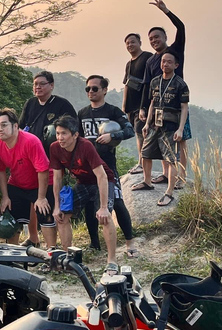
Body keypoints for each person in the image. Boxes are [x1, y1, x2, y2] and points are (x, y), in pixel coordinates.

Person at [77, 75, 138, 258]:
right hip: (86, 167)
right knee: (90, 204)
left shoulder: (113, 111)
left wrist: (113, 136)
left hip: (107, 166)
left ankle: (130, 243)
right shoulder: (82, 113)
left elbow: (130, 130)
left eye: (95, 88)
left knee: (117, 202)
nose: (91, 92)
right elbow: (77, 138)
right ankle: (95, 244)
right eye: (88, 89)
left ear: (104, 90)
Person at [50, 116, 119, 274]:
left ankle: (112, 261)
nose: (60, 137)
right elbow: (57, 178)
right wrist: (57, 205)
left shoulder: (85, 146)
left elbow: (101, 176)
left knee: (105, 217)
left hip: (102, 181)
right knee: (61, 215)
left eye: (64, 134)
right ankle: (68, 258)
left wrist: (103, 207)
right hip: (83, 183)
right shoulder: (54, 148)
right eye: (58, 133)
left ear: (75, 135)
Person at [18, 71, 77, 248]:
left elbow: (73, 128)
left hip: (53, 158)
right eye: (35, 84)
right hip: (31, 158)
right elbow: (21, 128)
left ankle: (62, 248)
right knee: (33, 198)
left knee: (53, 201)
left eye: (42, 84)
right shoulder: (30, 104)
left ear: (51, 85)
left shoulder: (62, 104)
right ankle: (34, 238)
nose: (37, 87)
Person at [141, 0, 189, 188]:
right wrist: (144, 108)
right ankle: (165, 174)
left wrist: (166, 11)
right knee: (161, 138)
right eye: (151, 39)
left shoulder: (174, 51)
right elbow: (148, 86)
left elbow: (182, 28)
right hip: (159, 107)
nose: (154, 41)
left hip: (177, 103)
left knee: (181, 139)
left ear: (165, 38)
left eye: (157, 37)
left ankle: (181, 177)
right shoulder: (151, 61)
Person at [134, 52, 190, 207]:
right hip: (154, 124)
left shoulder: (180, 84)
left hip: (171, 125)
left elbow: (184, 108)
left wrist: (180, 129)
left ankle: (169, 192)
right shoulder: (155, 81)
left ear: (175, 65)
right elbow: (152, 102)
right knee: (146, 154)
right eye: (163, 61)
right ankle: (147, 182)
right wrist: (146, 123)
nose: (165, 64)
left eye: (169, 62)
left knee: (171, 159)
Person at [0, 108, 53, 243]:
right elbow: (0, 171)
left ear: (15, 126)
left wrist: (41, 197)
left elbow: (43, 170)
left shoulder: (30, 141)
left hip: (41, 182)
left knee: (45, 215)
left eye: (4, 125)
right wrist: (5, 197)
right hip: (17, 182)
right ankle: (12, 256)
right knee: (11, 217)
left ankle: (51, 255)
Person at [122, 33, 153, 174]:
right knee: (137, 133)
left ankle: (142, 163)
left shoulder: (147, 57)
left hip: (143, 105)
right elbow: (126, 84)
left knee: (142, 134)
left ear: (140, 42)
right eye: (127, 43)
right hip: (131, 105)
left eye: (132, 42)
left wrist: (145, 106)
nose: (130, 45)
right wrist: (124, 105)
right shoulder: (129, 64)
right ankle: (141, 162)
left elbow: (151, 82)